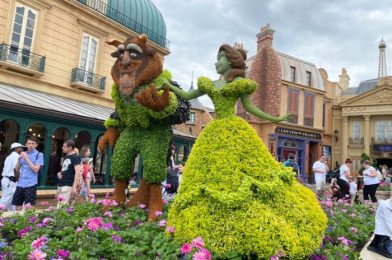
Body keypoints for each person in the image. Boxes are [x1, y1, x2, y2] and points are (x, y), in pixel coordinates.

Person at [12, 136, 44, 210]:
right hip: (20, 183)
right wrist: (19, 159)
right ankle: (18, 221)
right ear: (26, 144)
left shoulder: (39, 155)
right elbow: (17, 169)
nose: (30, 145)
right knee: (17, 206)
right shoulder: (23, 154)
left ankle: (28, 221)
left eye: (32, 143)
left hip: (31, 184)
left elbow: (36, 169)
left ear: (36, 145)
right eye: (28, 143)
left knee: (29, 207)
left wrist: (26, 158)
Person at [0, 143, 25, 211]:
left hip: (8, 180)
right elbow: (16, 169)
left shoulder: (10, 156)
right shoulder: (16, 156)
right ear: (16, 148)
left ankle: (13, 216)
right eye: (21, 147)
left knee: (12, 201)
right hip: (10, 181)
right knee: (5, 200)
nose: (22, 149)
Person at [56, 139, 82, 206]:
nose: (62, 148)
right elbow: (65, 169)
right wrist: (60, 173)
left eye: (64, 147)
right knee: (60, 204)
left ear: (70, 148)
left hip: (68, 184)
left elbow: (77, 172)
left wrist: (74, 186)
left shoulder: (76, 157)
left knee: (62, 206)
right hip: (61, 183)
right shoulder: (66, 157)